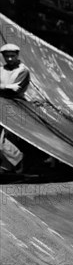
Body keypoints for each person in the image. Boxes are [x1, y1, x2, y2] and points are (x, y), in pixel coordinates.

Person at [0, 43, 30, 173]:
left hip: (13, 106)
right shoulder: (1, 69)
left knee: (7, 139)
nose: (10, 59)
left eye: (12, 56)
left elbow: (14, 91)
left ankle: (16, 162)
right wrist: (6, 86)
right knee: (3, 140)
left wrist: (5, 88)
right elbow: (9, 88)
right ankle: (9, 166)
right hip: (1, 104)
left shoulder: (22, 70)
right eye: (7, 56)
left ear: (17, 55)